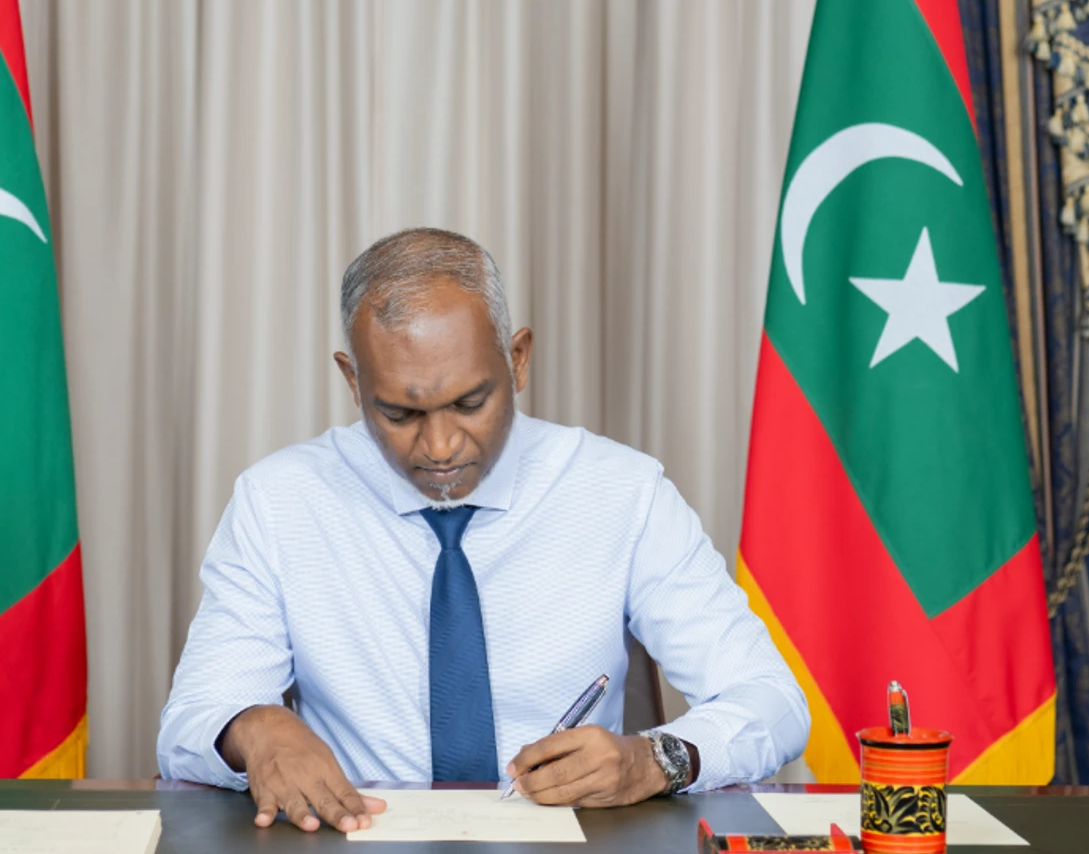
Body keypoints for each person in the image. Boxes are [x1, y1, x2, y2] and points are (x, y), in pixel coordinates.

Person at [157, 228, 809, 833]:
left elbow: (773, 701)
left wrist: (657, 760)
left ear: (517, 360)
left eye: (470, 403)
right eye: (400, 413)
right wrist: (254, 728)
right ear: (354, 381)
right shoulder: (279, 501)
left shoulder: (623, 492)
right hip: (360, 837)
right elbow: (189, 724)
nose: (440, 446)